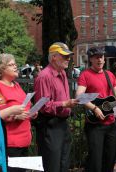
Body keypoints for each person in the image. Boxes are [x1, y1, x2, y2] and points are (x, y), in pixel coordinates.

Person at [76, 46, 116, 172]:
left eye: (102, 57)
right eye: (97, 57)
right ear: (90, 59)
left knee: (109, 160)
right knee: (95, 162)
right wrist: (95, 108)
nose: (100, 60)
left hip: (111, 123)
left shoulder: (109, 75)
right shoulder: (85, 75)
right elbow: (79, 96)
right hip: (95, 125)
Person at [34, 42, 79, 172]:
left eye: (69, 56)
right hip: (50, 125)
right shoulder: (44, 76)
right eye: (65, 56)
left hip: (62, 124)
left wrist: (67, 108)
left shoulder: (63, 73)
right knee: (52, 165)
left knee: (64, 164)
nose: (68, 59)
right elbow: (43, 106)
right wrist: (65, 104)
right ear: (54, 57)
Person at [0, 53, 34, 172]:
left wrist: (32, 112)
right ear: (2, 70)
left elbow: (26, 105)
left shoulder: (16, 85)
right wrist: (16, 116)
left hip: (25, 140)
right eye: (11, 64)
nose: (15, 66)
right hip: (11, 142)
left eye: (15, 64)